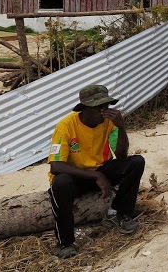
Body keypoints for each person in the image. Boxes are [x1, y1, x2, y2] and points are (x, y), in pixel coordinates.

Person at [48, 84, 145, 259]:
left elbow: (121, 155)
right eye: (98, 107)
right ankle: (65, 243)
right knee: (60, 182)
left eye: (106, 106)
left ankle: (118, 213)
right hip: (76, 177)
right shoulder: (66, 126)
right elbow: (56, 166)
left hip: (101, 170)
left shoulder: (108, 123)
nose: (104, 111)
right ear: (84, 108)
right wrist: (96, 175)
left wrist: (121, 127)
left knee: (136, 162)